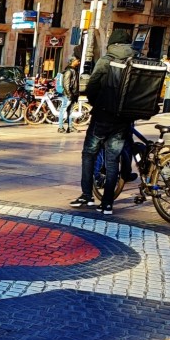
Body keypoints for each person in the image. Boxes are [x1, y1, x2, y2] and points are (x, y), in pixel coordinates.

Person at [69, 28, 135, 216]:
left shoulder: (106, 61)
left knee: (89, 153)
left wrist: (98, 104)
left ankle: (87, 195)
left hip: (103, 116)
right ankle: (107, 204)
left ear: (112, 44)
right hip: (123, 119)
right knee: (112, 160)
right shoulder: (136, 61)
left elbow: (92, 88)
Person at [57, 56, 80, 133]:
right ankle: (60, 127)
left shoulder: (74, 70)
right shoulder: (69, 71)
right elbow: (66, 84)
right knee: (63, 110)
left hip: (72, 94)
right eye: (77, 61)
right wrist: (69, 94)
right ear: (73, 61)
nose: (79, 62)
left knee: (70, 111)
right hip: (68, 95)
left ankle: (70, 127)